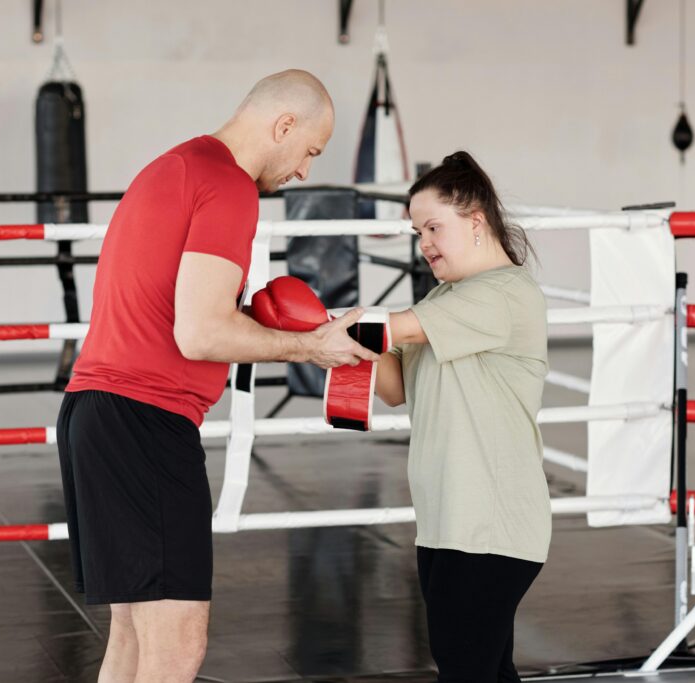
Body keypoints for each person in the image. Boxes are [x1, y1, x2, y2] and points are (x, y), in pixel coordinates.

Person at [56, 69, 378, 683]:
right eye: (309, 150)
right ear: (283, 125)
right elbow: (199, 334)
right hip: (142, 421)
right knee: (177, 647)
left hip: (96, 412)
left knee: (133, 638)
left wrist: (245, 315)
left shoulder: (174, 166)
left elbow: (182, 313)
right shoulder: (229, 186)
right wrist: (309, 346)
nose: (305, 171)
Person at [377, 151, 550, 682]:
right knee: (486, 670)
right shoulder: (443, 298)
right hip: (446, 519)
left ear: (475, 220)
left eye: (433, 227)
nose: (423, 243)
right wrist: (347, 344)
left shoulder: (505, 294)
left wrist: (316, 329)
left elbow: (390, 329)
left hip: (489, 523)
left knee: (465, 669)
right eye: (417, 231)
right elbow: (392, 389)